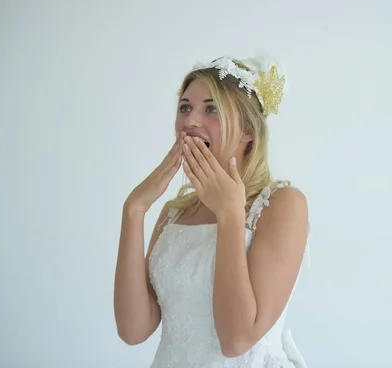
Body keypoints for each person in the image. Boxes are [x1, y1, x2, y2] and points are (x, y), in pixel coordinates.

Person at [113, 54, 310, 367]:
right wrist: (134, 210)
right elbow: (133, 330)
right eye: (185, 107)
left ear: (248, 130)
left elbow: (236, 340)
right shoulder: (173, 214)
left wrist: (230, 214)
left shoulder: (283, 206)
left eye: (211, 108)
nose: (191, 120)